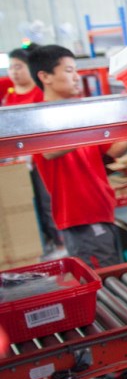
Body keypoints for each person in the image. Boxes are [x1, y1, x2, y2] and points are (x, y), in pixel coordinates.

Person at [29, 45, 127, 269]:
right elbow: (49, 151)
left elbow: (112, 150)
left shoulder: (77, 115)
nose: (77, 77)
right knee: (104, 280)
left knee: (113, 274)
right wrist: (92, 124)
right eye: (69, 71)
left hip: (101, 212)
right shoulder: (39, 118)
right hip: (82, 220)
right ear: (45, 77)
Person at [3, 44, 62, 253]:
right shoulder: (9, 95)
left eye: (19, 66)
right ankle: (43, 240)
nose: (14, 72)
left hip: (40, 158)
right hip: (17, 161)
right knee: (28, 203)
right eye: (11, 67)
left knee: (46, 201)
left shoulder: (40, 94)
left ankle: (57, 240)